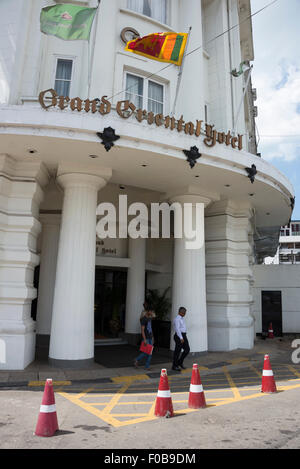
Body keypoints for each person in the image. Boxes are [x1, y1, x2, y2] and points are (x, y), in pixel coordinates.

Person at [172, 306, 190, 371]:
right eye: (183, 312)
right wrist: (181, 338)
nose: (184, 313)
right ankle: (174, 366)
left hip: (183, 335)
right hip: (179, 336)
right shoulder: (177, 319)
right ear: (180, 312)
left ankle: (179, 362)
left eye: (185, 312)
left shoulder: (182, 318)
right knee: (177, 351)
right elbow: (177, 329)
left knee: (187, 349)